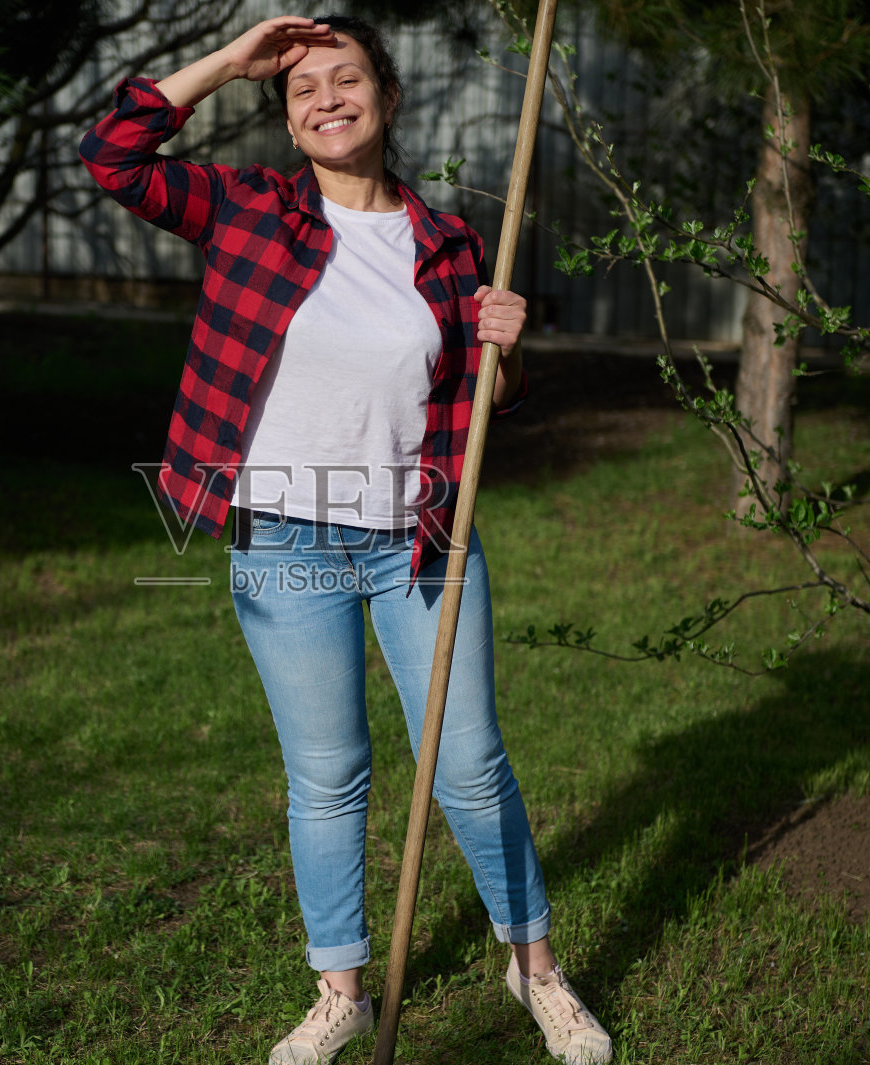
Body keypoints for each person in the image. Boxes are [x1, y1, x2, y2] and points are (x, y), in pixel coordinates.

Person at [81, 14, 611, 1065]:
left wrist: (505, 351)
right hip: (284, 538)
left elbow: (477, 404)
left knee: (467, 766)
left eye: (345, 79)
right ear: (284, 117)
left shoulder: (453, 244)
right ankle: (342, 993)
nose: (325, 99)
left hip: (418, 539)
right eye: (302, 90)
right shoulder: (248, 212)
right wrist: (233, 61)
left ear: (387, 95)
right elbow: (113, 155)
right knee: (327, 776)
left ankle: (535, 968)